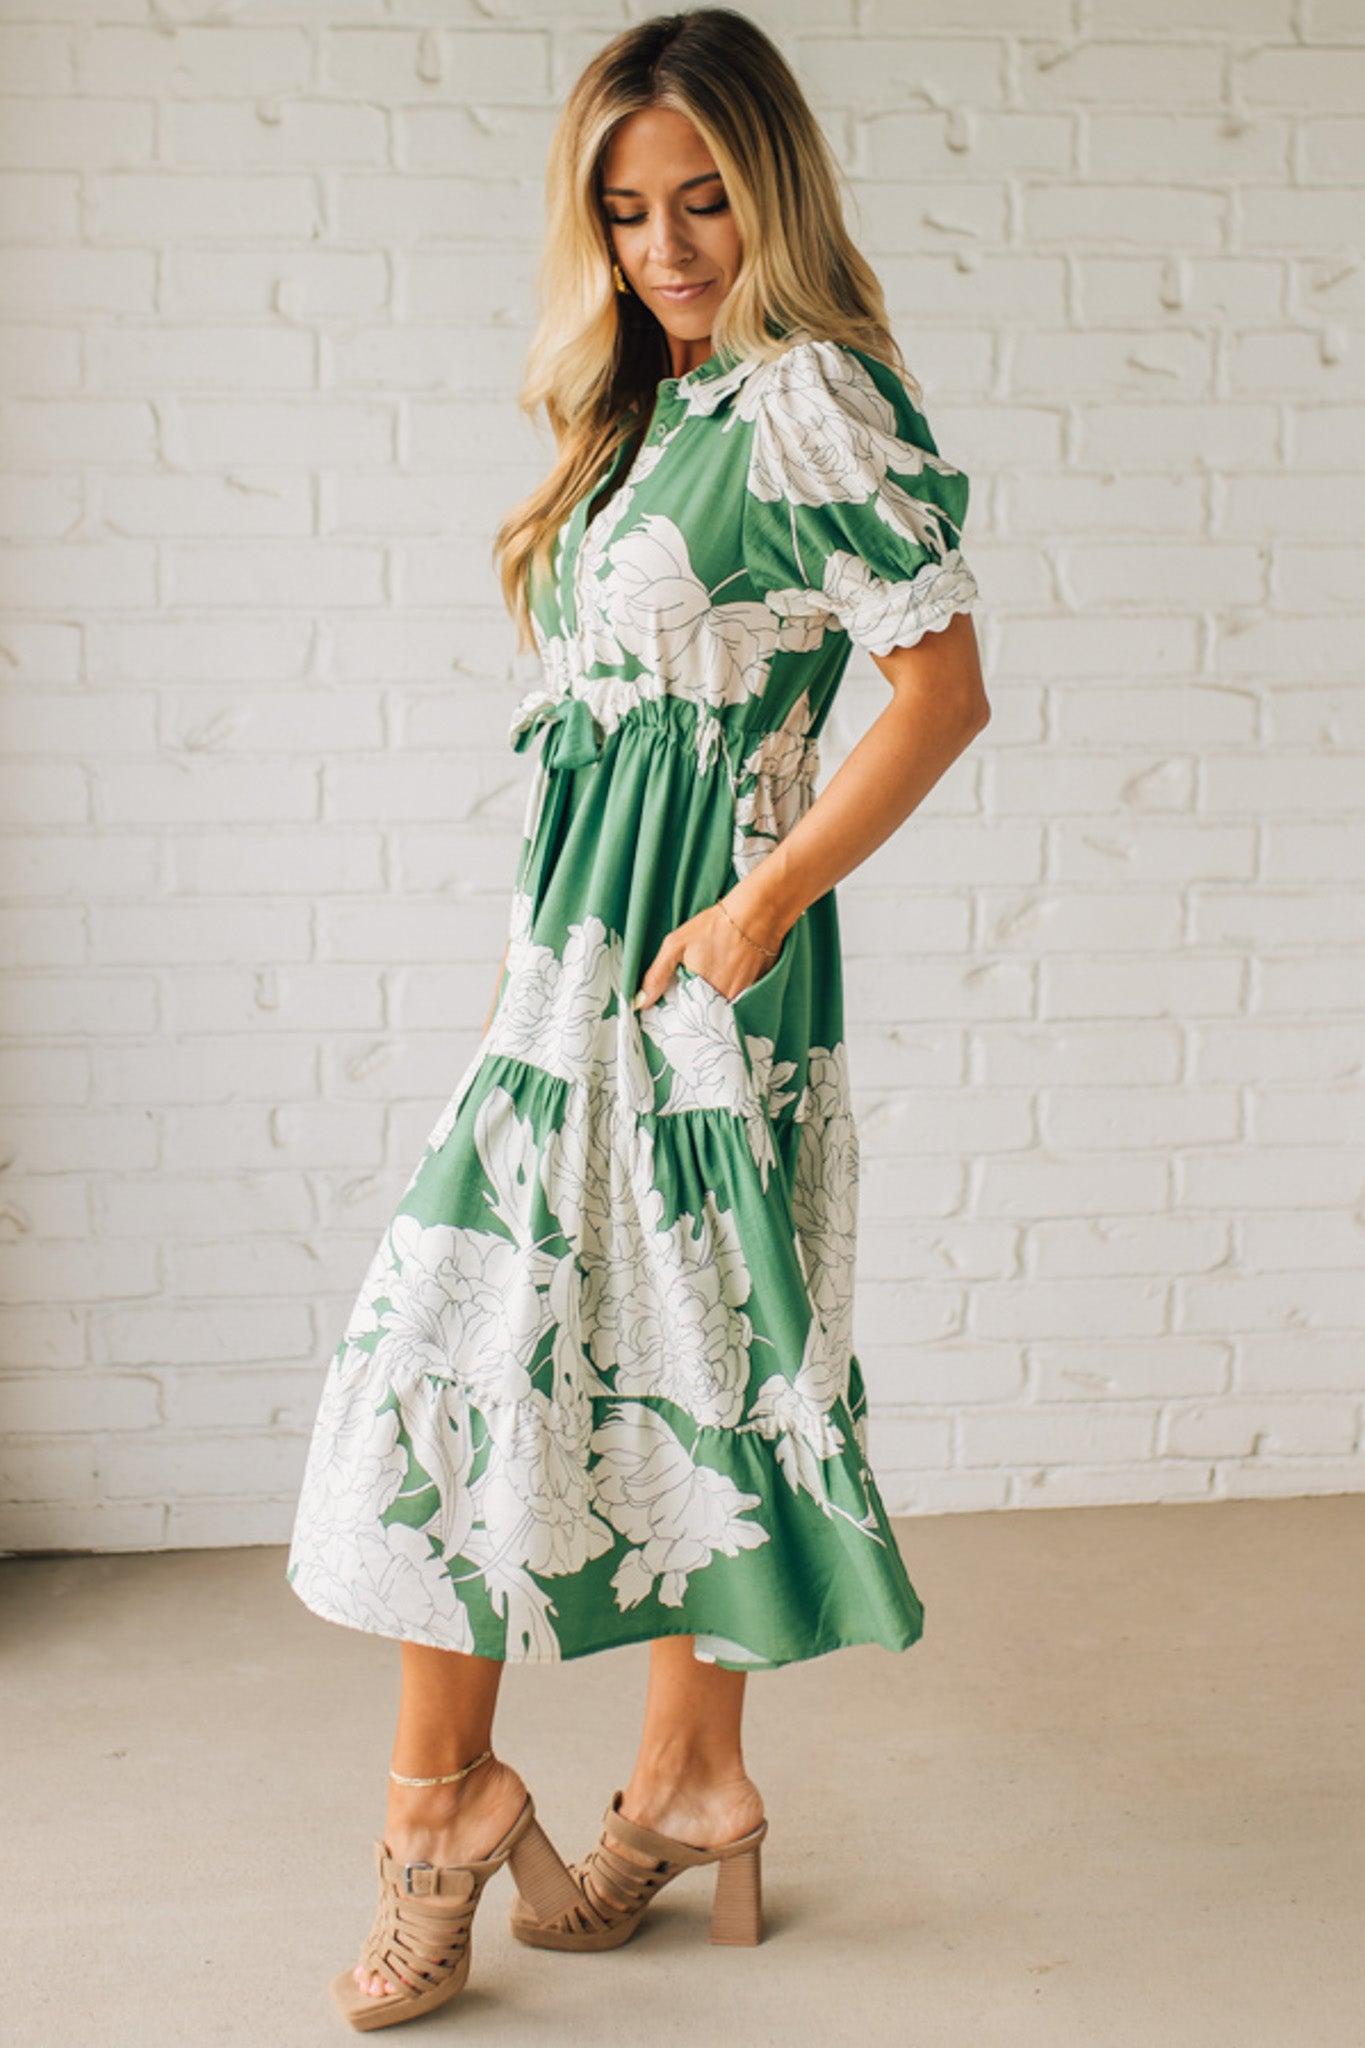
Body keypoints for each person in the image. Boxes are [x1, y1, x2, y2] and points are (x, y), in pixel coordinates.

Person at [284, 6, 990, 2031]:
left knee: (506, 1356)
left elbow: (938, 695)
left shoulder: (808, 399)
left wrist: (756, 905)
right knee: (635, 1357)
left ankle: (444, 1814)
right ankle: (683, 1784)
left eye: (702, 201)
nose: (664, 245)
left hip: (695, 973)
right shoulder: (651, 409)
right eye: (622, 210)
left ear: (772, 194)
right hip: (574, 971)